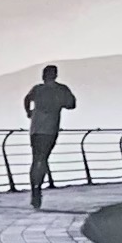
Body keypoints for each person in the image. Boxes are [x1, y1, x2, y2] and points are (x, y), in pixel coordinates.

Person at [22, 63, 79, 204]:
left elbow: (27, 99)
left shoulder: (37, 89)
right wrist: (59, 102)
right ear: (55, 75)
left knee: (36, 158)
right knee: (43, 158)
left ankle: (35, 188)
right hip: (51, 129)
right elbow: (72, 104)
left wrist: (29, 112)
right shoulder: (61, 89)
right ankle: (38, 185)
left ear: (44, 75)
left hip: (36, 129)